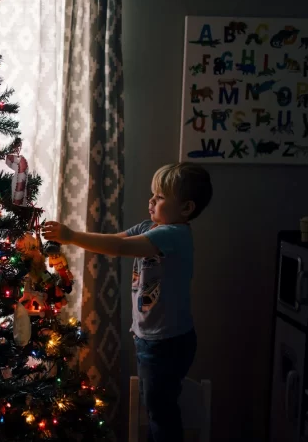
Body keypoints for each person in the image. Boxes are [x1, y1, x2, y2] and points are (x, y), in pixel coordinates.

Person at [42, 162, 212, 442]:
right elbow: (114, 241)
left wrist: (71, 237)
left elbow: (120, 247)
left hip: (166, 342)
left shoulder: (174, 235)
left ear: (186, 208)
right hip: (151, 338)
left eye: (160, 197)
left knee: (160, 412)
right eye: (152, 194)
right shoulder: (149, 227)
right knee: (157, 408)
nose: (151, 201)